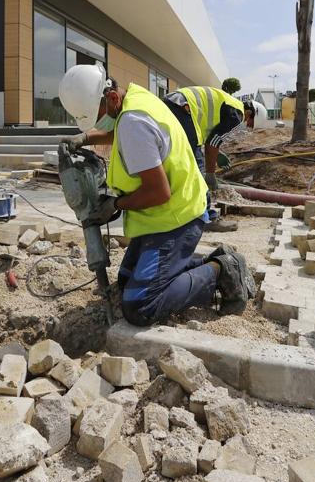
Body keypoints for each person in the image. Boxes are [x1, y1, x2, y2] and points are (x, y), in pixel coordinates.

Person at [58, 64, 250, 326]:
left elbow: (158, 192)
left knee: (140, 304)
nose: (98, 122)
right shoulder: (136, 99)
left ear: (112, 98)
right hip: (162, 215)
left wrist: (115, 204)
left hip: (176, 217)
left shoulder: (133, 123)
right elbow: (119, 133)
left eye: (97, 116)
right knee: (126, 282)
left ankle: (222, 270)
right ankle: (194, 263)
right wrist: (84, 138)